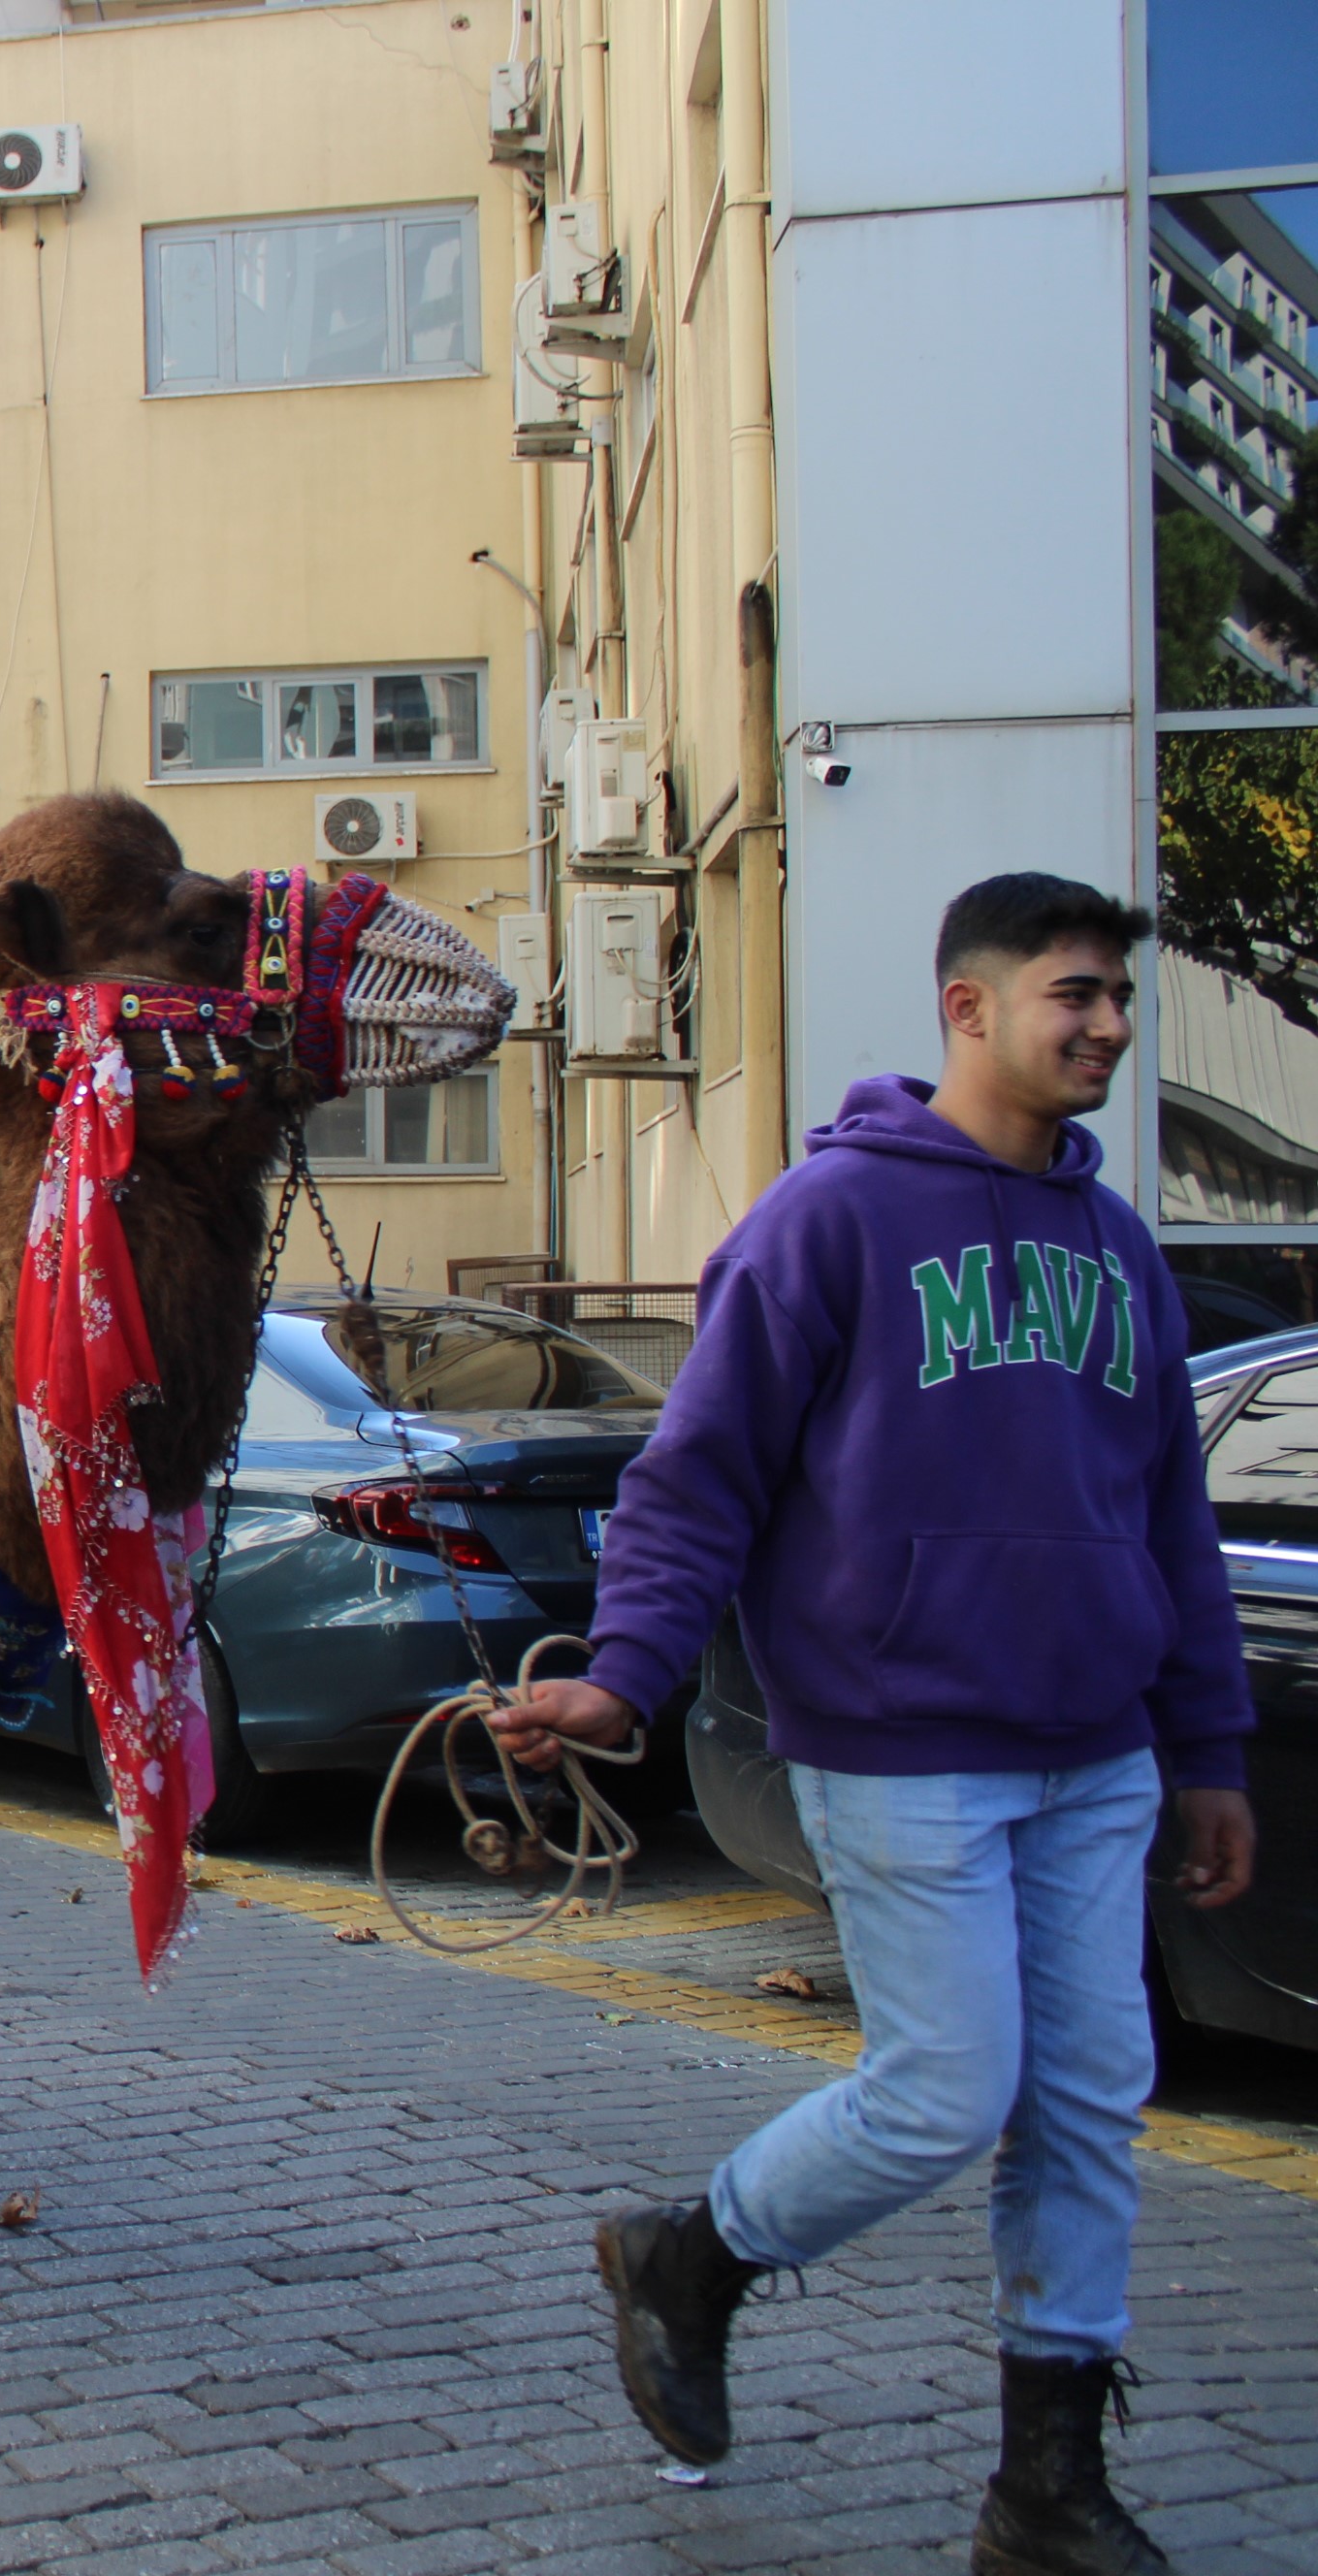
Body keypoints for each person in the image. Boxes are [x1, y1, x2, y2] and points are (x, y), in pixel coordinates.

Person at [498, 874, 1257, 2576]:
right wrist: (620, 1674)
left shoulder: (1115, 1247)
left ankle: (1041, 2489)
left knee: (1081, 2105)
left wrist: (1200, 1753)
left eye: (1116, 1002)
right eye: (1074, 995)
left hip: (1093, 1752)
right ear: (966, 1009)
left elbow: (1166, 1523)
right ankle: (689, 2256)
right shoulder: (823, 1223)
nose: (1108, 1029)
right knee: (941, 2091)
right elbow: (694, 1480)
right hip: (898, 1740)